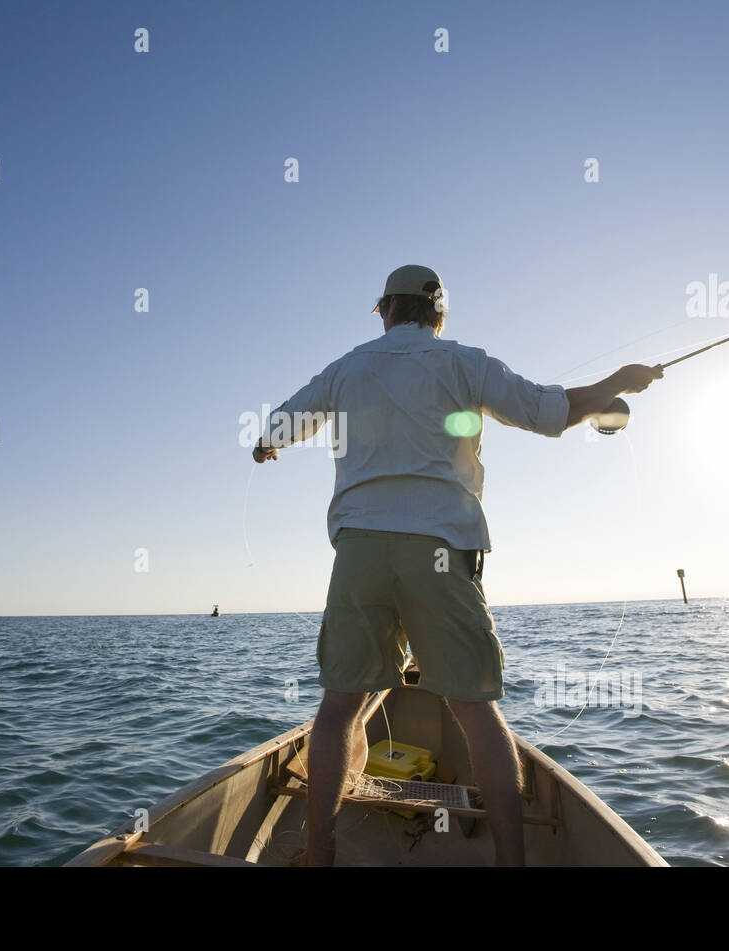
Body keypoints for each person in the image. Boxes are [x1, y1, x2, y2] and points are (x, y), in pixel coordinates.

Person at [253, 264, 661, 866]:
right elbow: (550, 413)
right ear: (438, 314)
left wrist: (268, 445)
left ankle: (319, 853)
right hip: (441, 547)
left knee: (340, 706)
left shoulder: (346, 368)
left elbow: (274, 428)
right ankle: (512, 863)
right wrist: (615, 382)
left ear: (385, 310)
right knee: (475, 710)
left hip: (361, 548)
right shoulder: (466, 362)